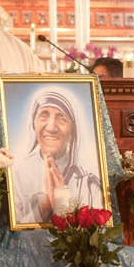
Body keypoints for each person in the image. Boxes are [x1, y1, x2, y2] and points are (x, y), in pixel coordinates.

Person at [12, 86, 103, 223]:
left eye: (61, 118)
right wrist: (46, 203)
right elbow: (11, 236)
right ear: (33, 124)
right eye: (44, 115)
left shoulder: (89, 178)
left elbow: (98, 233)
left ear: (73, 131)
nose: (51, 127)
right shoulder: (16, 172)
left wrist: (61, 198)